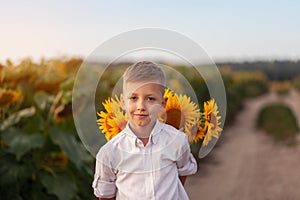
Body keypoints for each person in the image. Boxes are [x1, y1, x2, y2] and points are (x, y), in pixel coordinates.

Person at [93, 61, 197, 200]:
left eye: (150, 98)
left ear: (162, 103)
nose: (141, 106)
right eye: (133, 98)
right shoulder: (109, 153)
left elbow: (182, 173)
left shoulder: (177, 141)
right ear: (123, 102)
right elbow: (106, 196)